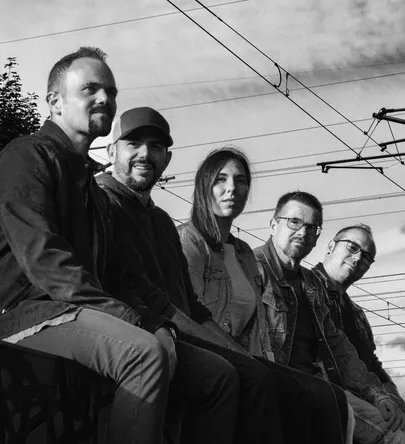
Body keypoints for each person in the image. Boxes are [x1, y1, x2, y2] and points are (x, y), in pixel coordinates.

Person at [0, 47, 237, 444]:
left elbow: (116, 277)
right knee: (143, 353)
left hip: (81, 315)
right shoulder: (27, 155)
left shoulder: (92, 190)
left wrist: (155, 323)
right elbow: (45, 261)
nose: (104, 99)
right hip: (28, 315)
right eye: (90, 89)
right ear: (55, 101)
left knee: (218, 376)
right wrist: (133, 322)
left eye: (110, 92)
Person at [97, 107, 284, 444]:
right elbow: (141, 295)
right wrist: (227, 353)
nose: (145, 154)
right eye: (134, 144)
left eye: (156, 147)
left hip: (175, 332)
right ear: (111, 152)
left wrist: (238, 353)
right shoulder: (103, 203)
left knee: (290, 386)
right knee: (228, 376)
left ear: (167, 159)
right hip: (135, 333)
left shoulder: (161, 223)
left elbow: (193, 307)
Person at [178, 147, 354, 444]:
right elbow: (190, 314)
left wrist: (264, 361)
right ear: (204, 185)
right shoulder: (189, 242)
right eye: (221, 179)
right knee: (278, 388)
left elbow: (259, 327)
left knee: (326, 395)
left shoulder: (243, 253)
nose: (232, 188)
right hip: (208, 351)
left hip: (245, 356)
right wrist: (248, 360)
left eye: (240, 181)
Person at [252, 191, 405, 444]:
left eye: (312, 227)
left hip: (318, 384)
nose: (303, 232)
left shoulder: (310, 286)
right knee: (392, 432)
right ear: (274, 225)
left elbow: (339, 348)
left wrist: (379, 395)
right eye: (294, 222)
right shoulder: (251, 267)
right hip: (277, 380)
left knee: (402, 427)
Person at [312, 223, 405, 444]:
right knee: (403, 434)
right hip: (335, 389)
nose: (358, 258)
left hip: (369, 393)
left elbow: (373, 365)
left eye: (366, 257)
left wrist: (399, 402)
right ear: (330, 247)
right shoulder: (306, 288)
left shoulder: (356, 314)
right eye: (352, 247)